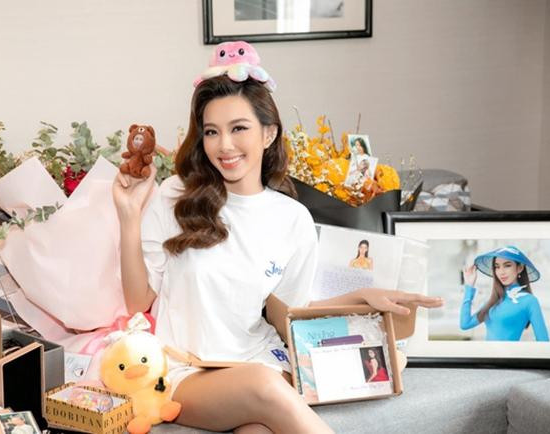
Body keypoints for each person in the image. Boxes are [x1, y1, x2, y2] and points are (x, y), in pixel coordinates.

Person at [112, 42, 443, 433]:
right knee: (264, 386)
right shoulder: (176, 196)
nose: (224, 145)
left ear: (268, 133)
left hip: (261, 359)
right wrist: (129, 216)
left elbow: (292, 312)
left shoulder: (292, 219)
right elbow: (138, 300)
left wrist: (364, 298)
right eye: (212, 132)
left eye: (239, 128)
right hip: (186, 371)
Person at [460, 245, 549, 341]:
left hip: (509, 351)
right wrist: (469, 286)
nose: (501, 272)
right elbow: (465, 324)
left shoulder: (529, 301)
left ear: (520, 268)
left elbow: (543, 341)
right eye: (497, 267)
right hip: (485, 351)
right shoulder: (493, 301)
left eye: (507, 265)